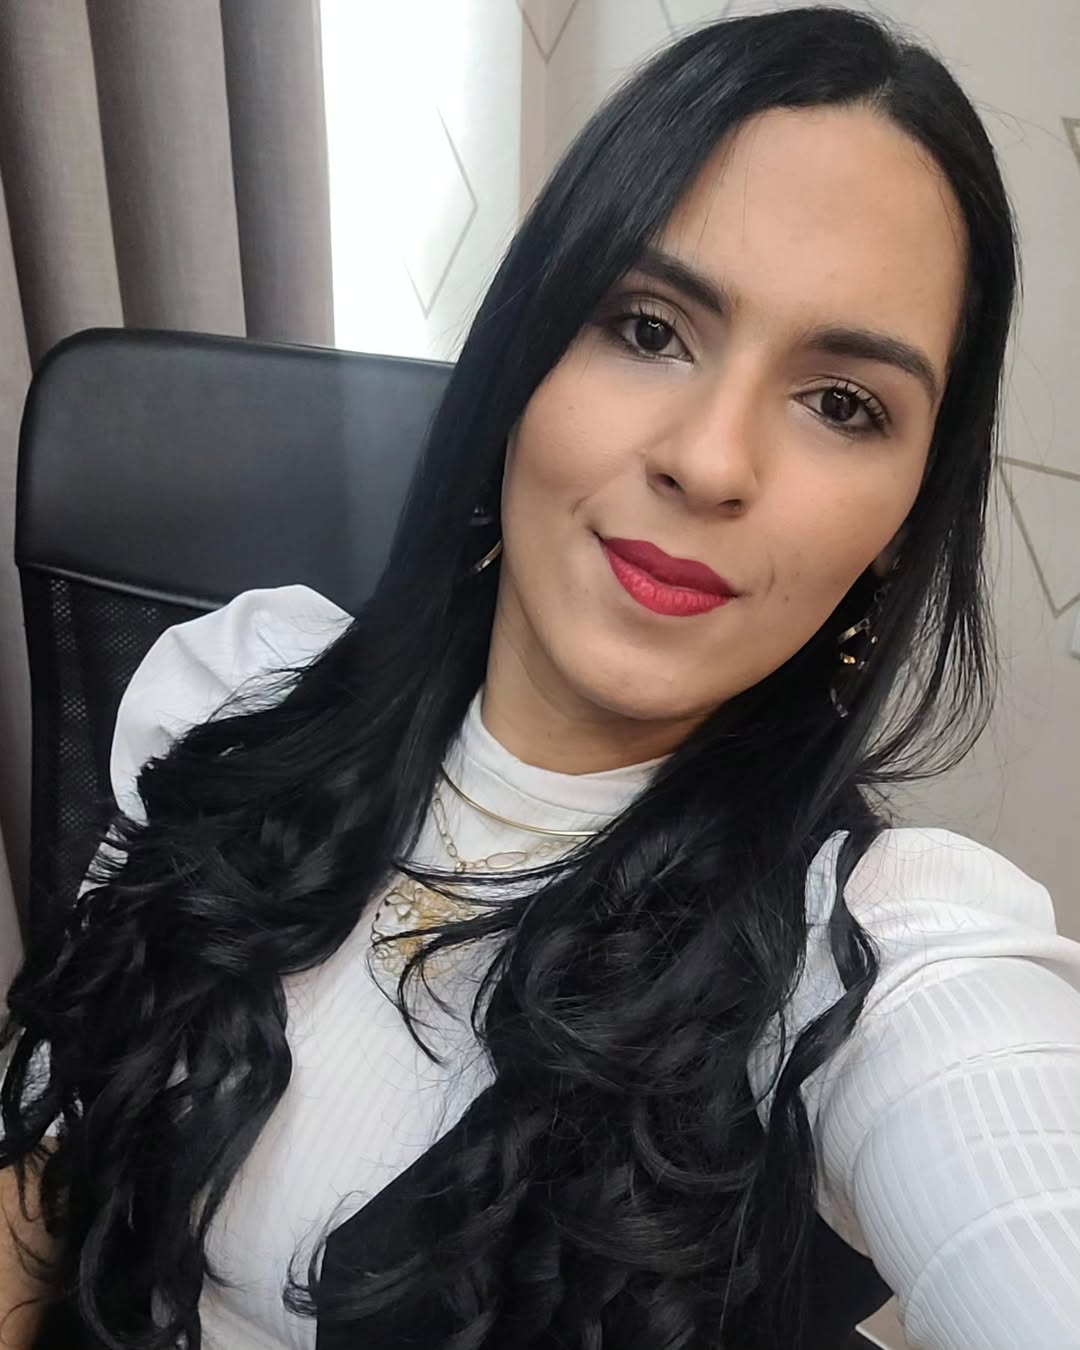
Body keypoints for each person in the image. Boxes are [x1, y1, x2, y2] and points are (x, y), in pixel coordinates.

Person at [3, 6, 1079, 1349]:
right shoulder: (234, 686)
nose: (710, 460)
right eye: (648, 326)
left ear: (903, 528)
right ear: (526, 352)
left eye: (841, 403)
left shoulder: (867, 952)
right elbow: (50, 1168)